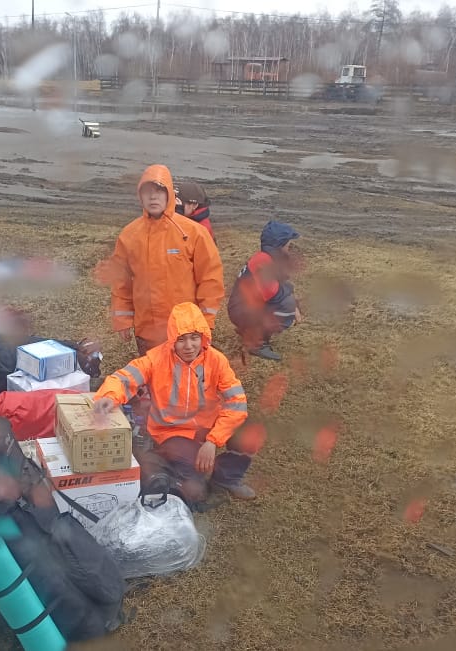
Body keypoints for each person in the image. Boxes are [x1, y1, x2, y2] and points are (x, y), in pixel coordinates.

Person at [93, 303, 256, 504]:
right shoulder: (156, 358)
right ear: (172, 340)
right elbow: (124, 378)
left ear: (203, 337)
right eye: (181, 339)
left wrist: (213, 440)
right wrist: (109, 397)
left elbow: (237, 402)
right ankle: (174, 468)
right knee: (195, 490)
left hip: (207, 425)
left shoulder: (217, 360)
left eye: (194, 338)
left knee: (249, 431)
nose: (189, 346)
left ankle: (226, 478)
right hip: (173, 432)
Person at [107, 165, 225, 356]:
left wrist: (206, 320)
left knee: (185, 373)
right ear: (140, 196)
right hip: (147, 330)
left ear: (169, 193)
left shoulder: (193, 232)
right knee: (153, 372)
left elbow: (210, 279)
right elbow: (121, 281)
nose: (153, 197)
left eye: (159, 191)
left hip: (185, 330)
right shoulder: (129, 235)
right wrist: (122, 318)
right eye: (147, 192)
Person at [228, 221, 302, 361]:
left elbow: (280, 284)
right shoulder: (263, 262)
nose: (289, 247)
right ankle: (256, 344)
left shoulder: (266, 258)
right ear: (280, 245)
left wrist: (290, 293)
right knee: (286, 305)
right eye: (288, 244)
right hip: (242, 311)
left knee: (287, 300)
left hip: (242, 309)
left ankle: (249, 331)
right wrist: (292, 305)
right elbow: (273, 294)